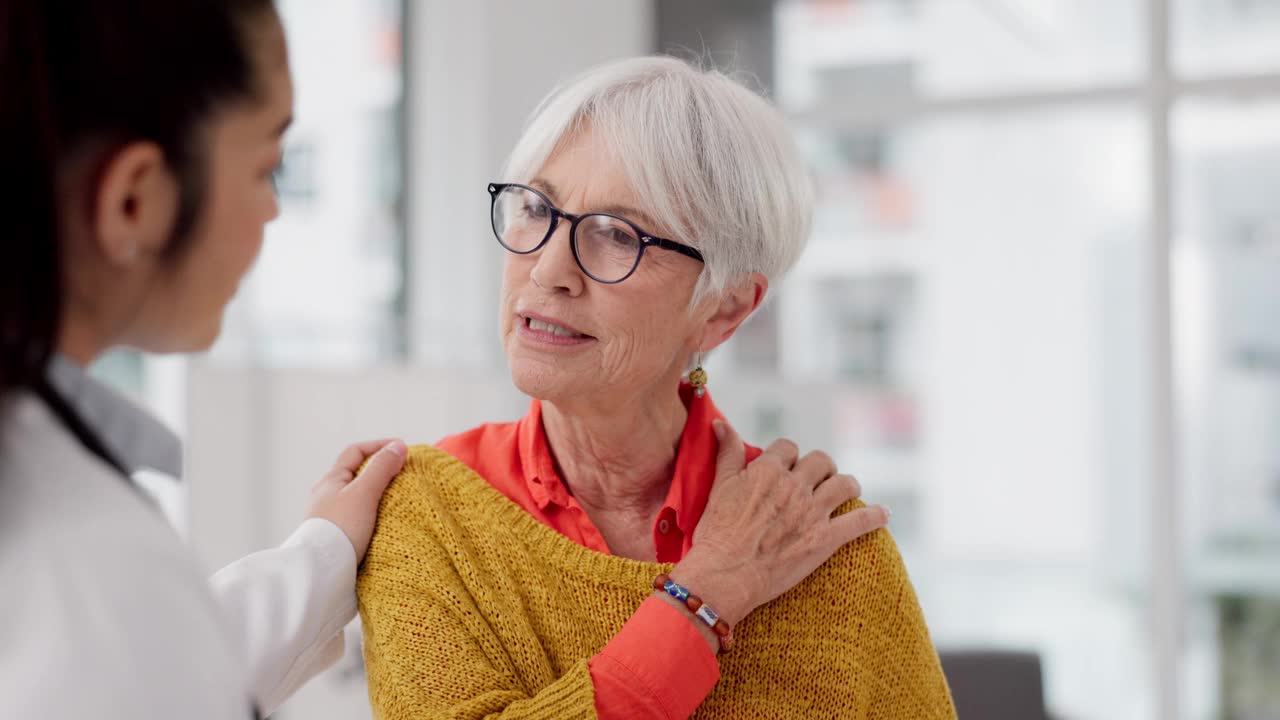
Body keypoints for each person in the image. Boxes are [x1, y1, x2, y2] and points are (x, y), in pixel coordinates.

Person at [358, 56, 957, 719]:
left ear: (725, 309)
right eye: (536, 207)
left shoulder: (826, 548)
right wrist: (706, 593)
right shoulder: (427, 512)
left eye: (618, 234)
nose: (549, 269)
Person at [0, 1, 406, 717]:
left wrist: (324, 555)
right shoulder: (83, 564)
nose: (273, 213)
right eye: (266, 168)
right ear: (135, 200)